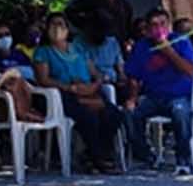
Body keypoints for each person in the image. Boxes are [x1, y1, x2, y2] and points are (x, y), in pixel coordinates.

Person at [32, 13, 126, 174]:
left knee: (113, 114)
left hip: (88, 91)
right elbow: (44, 79)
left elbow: (94, 71)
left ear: (68, 29)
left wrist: (95, 84)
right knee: (88, 117)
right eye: (53, 25)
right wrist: (69, 88)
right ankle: (98, 160)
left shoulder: (77, 49)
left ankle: (93, 155)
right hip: (63, 93)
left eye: (61, 24)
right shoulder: (43, 52)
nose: (57, 28)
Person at [124, 8, 193, 175]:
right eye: (154, 25)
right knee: (129, 113)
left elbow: (190, 71)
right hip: (152, 97)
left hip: (178, 96)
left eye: (162, 24)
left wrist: (168, 51)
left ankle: (183, 160)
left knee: (181, 113)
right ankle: (148, 156)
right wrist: (132, 98)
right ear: (148, 29)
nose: (158, 28)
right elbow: (133, 77)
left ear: (169, 26)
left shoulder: (181, 42)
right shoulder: (142, 47)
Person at [0, 21, 43, 123]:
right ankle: (24, 112)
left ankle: (26, 111)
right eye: (0, 36)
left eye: (7, 34)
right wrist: (4, 79)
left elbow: (31, 73)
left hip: (28, 88)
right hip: (6, 92)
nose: (4, 38)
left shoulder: (19, 54)